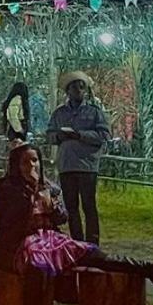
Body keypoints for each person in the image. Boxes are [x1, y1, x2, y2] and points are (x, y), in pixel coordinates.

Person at [0, 144, 153, 305]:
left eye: (35, 160)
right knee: (37, 268)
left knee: (92, 253)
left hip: (50, 239)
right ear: (16, 165)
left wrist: (50, 204)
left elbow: (62, 217)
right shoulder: (7, 187)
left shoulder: (49, 186)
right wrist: (33, 194)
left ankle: (150, 270)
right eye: (26, 162)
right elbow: (9, 218)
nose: (31, 165)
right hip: (21, 243)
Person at [46, 72, 109, 244]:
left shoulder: (94, 112)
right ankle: (77, 242)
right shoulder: (59, 113)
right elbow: (49, 134)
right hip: (67, 165)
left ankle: (93, 243)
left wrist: (80, 135)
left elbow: (103, 135)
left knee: (89, 206)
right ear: (68, 91)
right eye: (75, 87)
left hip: (87, 166)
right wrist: (59, 137)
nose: (79, 90)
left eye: (82, 87)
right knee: (71, 208)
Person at [2, 82, 31, 146]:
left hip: (17, 128)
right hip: (16, 130)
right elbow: (13, 116)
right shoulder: (17, 99)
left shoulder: (16, 99)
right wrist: (19, 129)